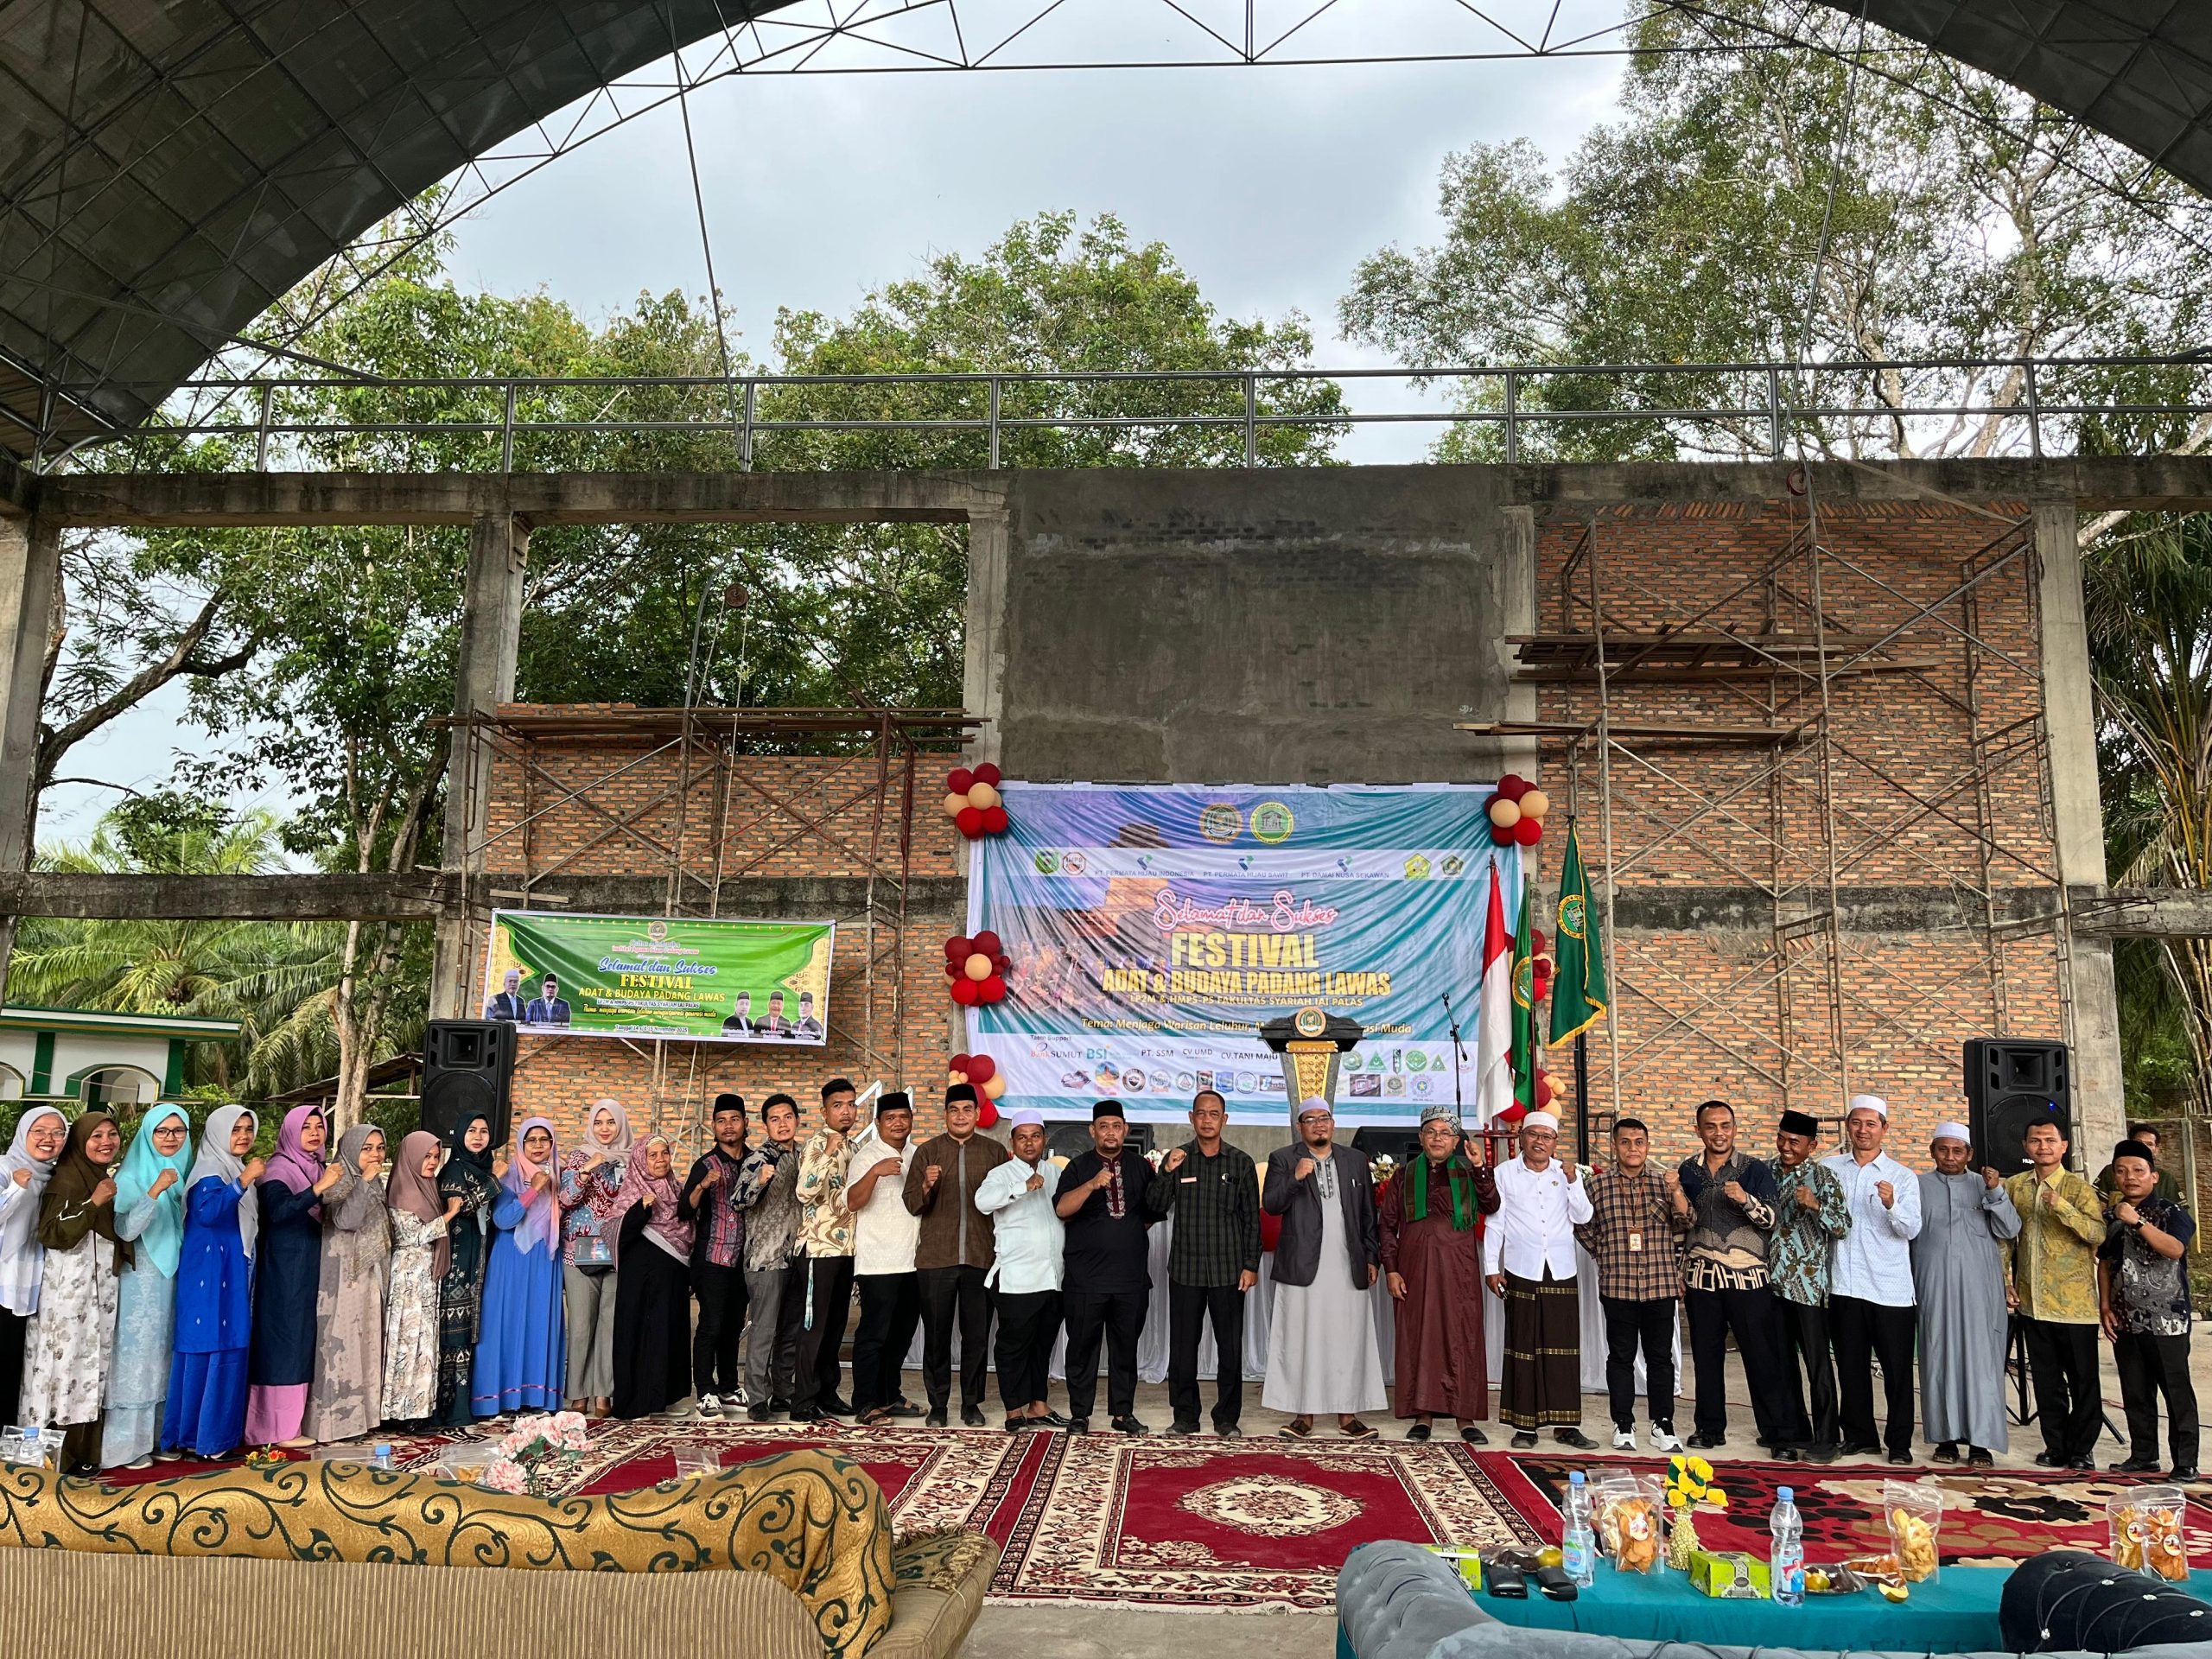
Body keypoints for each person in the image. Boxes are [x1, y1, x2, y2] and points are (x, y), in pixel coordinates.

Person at [1262, 1099, 1385, 1440]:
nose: (1319, 1124)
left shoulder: (1356, 1160)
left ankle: (1349, 1416)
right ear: (1299, 1126)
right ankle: (1304, 1415)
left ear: (1333, 1123)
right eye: (1310, 1119)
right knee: (1304, 1338)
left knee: (1348, 1338)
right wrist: (1295, 1179)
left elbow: (1367, 1216)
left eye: (1324, 1118)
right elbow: (1271, 1205)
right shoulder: (1284, 1159)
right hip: (1303, 1266)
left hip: (1348, 1264)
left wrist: (1372, 1258)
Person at [1674, 1100, 1790, 1455]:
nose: (1719, 1133)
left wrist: (1745, 1199)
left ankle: (1777, 1434)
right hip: (1702, 1280)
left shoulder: (1755, 1170)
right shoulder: (1688, 1171)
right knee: (1707, 1358)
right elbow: (1684, 1225)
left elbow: (1772, 1220)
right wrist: (1679, 1270)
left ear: (1735, 1129)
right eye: (1711, 1126)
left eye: (1725, 1125)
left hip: (1748, 1279)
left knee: (1761, 1357)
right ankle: (1709, 1428)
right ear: (1699, 1130)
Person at [1381, 1103, 1501, 1443]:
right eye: (1431, 1132)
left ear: (1455, 1141)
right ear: (1421, 1137)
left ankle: (1466, 1418)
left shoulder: (1467, 1174)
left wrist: (1479, 1167)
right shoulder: (1403, 1176)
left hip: (1458, 1271)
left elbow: (1492, 1205)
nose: (1437, 1138)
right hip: (1414, 1269)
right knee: (1420, 1337)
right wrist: (1392, 1270)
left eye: (1444, 1133)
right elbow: (1387, 1227)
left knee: (1462, 1337)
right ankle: (1423, 1416)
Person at [1146, 1089, 1262, 1439]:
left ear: (1224, 1120)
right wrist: (1166, 1170)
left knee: (1230, 1348)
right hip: (1186, 1269)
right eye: (1201, 1113)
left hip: (1229, 1271)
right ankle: (1185, 1416)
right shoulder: (1178, 1159)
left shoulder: (1240, 1162)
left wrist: (1250, 1265)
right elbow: (1153, 1206)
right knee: (1183, 1347)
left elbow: (1251, 1220)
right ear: (1191, 1118)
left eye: (1214, 1114)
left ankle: (1227, 1418)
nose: (1207, 1119)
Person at [1574, 1116, 1688, 1453]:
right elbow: (1582, 1226)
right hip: (1618, 1284)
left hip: (1660, 1284)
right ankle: (1623, 1423)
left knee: (1660, 1358)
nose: (1633, 1148)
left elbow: (1687, 1220)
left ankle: (1663, 1424)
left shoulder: (1663, 1183)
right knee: (1620, 1357)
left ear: (1648, 1146)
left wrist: (1677, 1190)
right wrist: (1604, 1255)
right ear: (1615, 1146)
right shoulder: (1596, 1186)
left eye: (1639, 1142)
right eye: (1625, 1142)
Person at [19, 1111, 125, 1473]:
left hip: (99, 1293)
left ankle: (81, 1455)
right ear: (80, 1140)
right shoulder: (65, 1180)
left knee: (90, 1368)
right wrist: (93, 1202)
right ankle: (47, 1460)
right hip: (66, 1295)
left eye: (112, 1135)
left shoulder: (102, 1178)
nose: (106, 1142)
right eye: (96, 1136)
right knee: (59, 1370)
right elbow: (51, 1234)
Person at [1485, 1109, 1598, 1449]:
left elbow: (1584, 1216)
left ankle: (1566, 1426)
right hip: (1522, 1269)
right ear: (1522, 1137)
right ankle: (1525, 1427)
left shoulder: (1567, 1174)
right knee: (1524, 1348)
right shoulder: (1504, 1173)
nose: (1539, 1142)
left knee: (1563, 1349)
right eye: (1533, 1135)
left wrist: (1574, 1181)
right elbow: (1495, 1222)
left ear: (1555, 1142)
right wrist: (1492, 1267)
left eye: (1546, 1137)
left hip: (1561, 1269)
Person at [1821, 1094, 1923, 1464]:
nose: (1863, 1131)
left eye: (1871, 1124)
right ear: (1847, 1126)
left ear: (1884, 1129)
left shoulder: (1902, 1176)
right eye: (1856, 1123)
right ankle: (1860, 1436)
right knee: (1851, 1365)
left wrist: (1892, 1203)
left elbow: (1911, 1229)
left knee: (1897, 1371)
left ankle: (1899, 1443)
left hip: (1890, 1289)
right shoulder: (1830, 1168)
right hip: (1845, 1284)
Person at [1911, 1122, 2019, 1467]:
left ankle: (1981, 1443)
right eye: (1943, 1150)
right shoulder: (1917, 1186)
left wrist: (1995, 1193)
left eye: (1958, 1151)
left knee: (1981, 1363)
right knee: (1938, 1356)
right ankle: (1946, 1438)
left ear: (1969, 1155)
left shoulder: (1985, 1186)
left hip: (1979, 1291)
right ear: (1932, 1152)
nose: (1950, 1157)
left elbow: (2009, 1229)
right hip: (1934, 1286)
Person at [904, 1082, 1008, 1427]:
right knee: (936, 1335)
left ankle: (971, 1404)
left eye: (967, 1110)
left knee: (977, 1335)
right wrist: (926, 1186)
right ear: (945, 1115)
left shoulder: (994, 1153)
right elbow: (912, 1204)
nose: (961, 1116)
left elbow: (1005, 1203)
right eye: (954, 1110)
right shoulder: (927, 1152)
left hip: (981, 1258)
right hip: (936, 1259)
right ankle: (938, 1404)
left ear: (978, 1115)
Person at [2004, 1116, 2106, 1470]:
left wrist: (2060, 1206)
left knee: (2083, 1382)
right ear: (2026, 1147)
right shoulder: (2015, 1186)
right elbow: (2005, 1236)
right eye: (2036, 1140)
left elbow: (2096, 1234)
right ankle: (2056, 1445)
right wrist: (2006, 1279)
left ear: (2064, 1146)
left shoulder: (2079, 1189)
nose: (2043, 1147)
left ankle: (2082, 1449)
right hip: (2033, 1302)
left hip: (2075, 1305)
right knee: (2046, 1382)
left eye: (2050, 1140)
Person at [162, 1106, 262, 1458]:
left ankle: (215, 1438)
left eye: (249, 1129)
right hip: (209, 1273)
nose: (244, 1136)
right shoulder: (210, 1169)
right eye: (236, 1129)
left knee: (230, 1343)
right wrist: (243, 1182)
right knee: (208, 1345)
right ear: (219, 1132)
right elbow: (206, 1213)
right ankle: (198, 1438)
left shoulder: (232, 1167)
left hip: (229, 1268)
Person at [1056, 1099, 1157, 1435]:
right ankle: (1080, 1414)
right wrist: (1090, 1185)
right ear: (1092, 1130)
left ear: (1125, 1130)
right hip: (1086, 1278)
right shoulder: (1078, 1167)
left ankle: (1122, 1413)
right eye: (1104, 1126)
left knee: (1125, 1348)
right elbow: (1061, 1210)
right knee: (1082, 1346)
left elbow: (1149, 1216)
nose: (1110, 1132)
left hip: (1129, 1278)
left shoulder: (1141, 1167)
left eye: (1116, 1126)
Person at [2100, 1140, 2199, 1478]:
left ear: (2153, 1177)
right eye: (2122, 1171)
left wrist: (2138, 1222)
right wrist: (2104, 1305)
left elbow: (2174, 1249)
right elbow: (2105, 1262)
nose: (2130, 1178)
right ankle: (2144, 1455)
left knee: (2176, 1391)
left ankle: (2185, 1462)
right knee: (2135, 1391)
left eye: (2138, 1171)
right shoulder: (2113, 1218)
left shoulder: (2173, 1213)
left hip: (2167, 1322)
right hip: (2126, 1319)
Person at [102, 1103, 192, 1467]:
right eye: (162, 1131)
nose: (170, 1138)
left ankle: (159, 1437)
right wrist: (154, 1191)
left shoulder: (186, 1172)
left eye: (178, 1131)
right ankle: (124, 1448)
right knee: (136, 1358)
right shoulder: (131, 1175)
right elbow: (124, 1230)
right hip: (140, 1280)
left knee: (164, 1357)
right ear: (148, 1135)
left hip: (174, 1278)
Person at [245, 1105, 339, 1448]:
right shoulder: (279, 1169)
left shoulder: (316, 1166)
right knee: (283, 1337)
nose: (314, 1133)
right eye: (306, 1128)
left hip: (308, 1260)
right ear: (290, 1133)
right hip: (284, 1262)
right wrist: (318, 1189)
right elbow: (280, 1212)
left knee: (300, 1337)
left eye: (319, 1126)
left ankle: (291, 1423)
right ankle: (273, 1428)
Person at [1767, 1109, 1851, 1463]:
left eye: (1795, 1142)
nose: (1786, 1147)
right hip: (1769, 1282)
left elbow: (1843, 1226)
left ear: (1811, 1145)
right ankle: (1791, 1431)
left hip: (1807, 1285)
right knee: (1781, 1363)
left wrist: (1815, 1205)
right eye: (1782, 1139)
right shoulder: (1763, 1172)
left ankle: (1827, 1437)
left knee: (1817, 1364)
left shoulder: (1823, 1177)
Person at [976, 1109, 1065, 1432]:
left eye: (1036, 1136)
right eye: (1022, 1137)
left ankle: (1038, 1406)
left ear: (1044, 1140)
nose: (1029, 1143)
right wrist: (1023, 1186)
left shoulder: (1056, 1173)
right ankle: (1013, 1410)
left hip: (1053, 1277)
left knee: (1043, 1344)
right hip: (1016, 1278)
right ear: (1012, 1141)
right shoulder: (1001, 1174)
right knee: (1013, 1347)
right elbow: (983, 1202)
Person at [474, 1116, 567, 1416]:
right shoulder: (509, 1174)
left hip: (544, 1260)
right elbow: (503, 1220)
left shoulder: (560, 1173)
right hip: (510, 1260)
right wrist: (533, 1191)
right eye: (532, 1140)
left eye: (545, 1140)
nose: (538, 1146)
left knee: (539, 1323)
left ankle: (535, 1396)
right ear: (522, 1143)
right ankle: (498, 1398)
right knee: (504, 1324)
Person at [304, 1124, 391, 1444]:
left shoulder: (374, 1180)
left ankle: (362, 1418)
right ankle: (333, 1422)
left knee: (366, 1340)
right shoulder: (338, 1176)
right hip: (342, 1273)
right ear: (352, 1148)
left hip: (367, 1271)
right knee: (341, 1341)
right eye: (367, 1148)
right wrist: (365, 1181)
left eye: (380, 1148)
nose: (375, 1155)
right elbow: (346, 1220)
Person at [847, 1092, 924, 1425]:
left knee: (901, 1334)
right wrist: (875, 1172)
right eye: (890, 1117)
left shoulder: (918, 1155)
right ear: (878, 1123)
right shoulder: (866, 1157)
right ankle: (865, 1401)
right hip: (878, 1261)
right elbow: (852, 1202)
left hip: (914, 1259)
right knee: (874, 1334)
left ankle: (889, 1395)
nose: (898, 1123)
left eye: (903, 1117)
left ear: (911, 1121)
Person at [611, 1135, 695, 1420]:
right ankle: (637, 1401)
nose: (660, 1160)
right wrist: (639, 1210)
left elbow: (687, 1225)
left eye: (665, 1153)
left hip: (673, 1277)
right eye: (653, 1155)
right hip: (641, 1283)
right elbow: (615, 1234)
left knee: (670, 1332)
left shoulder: (678, 1189)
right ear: (640, 1160)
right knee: (641, 1335)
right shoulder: (632, 1191)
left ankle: (668, 1398)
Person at [557, 1099, 631, 1415]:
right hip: (578, 1253)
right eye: (599, 1122)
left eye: (611, 1122)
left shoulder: (632, 1160)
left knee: (610, 1327)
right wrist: (588, 1169)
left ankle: (603, 1394)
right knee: (581, 1328)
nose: (604, 1129)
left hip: (616, 1252)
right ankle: (578, 1394)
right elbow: (565, 1198)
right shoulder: (578, 1156)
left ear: (620, 1125)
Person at [791, 1077, 860, 1421]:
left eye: (851, 1104)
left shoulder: (854, 1146)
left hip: (845, 1249)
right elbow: (804, 1191)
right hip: (818, 1249)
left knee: (835, 1328)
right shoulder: (818, 1143)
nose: (846, 1111)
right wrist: (828, 1153)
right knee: (813, 1328)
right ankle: (802, 1400)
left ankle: (827, 1393)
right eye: (838, 1105)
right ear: (824, 1111)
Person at [681, 1093, 751, 1419]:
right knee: (711, 1324)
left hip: (746, 1259)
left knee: (734, 1325)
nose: (728, 1126)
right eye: (721, 1121)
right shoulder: (704, 1165)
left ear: (745, 1123)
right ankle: (705, 1390)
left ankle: (728, 1385)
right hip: (712, 1259)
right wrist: (702, 1187)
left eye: (734, 1119)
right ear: (713, 1126)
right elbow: (684, 1210)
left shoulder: (756, 1162)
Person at [736, 1093, 804, 1421]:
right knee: (763, 1330)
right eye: (774, 1119)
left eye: (787, 1117)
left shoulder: (806, 1157)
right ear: (766, 1125)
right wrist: (759, 1183)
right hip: (766, 1259)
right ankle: (756, 1399)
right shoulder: (758, 1158)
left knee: (791, 1331)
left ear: (797, 1120)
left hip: (799, 1257)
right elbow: (738, 1201)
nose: (782, 1124)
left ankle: (783, 1393)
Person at [0, 1108, 68, 1422]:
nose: (48, 1139)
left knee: (13, 1365)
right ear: (23, 1133)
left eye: (57, 1132)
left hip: (30, 1285)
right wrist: (15, 1188)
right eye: (39, 1131)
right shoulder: (5, 1168)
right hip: (3, 1280)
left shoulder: (55, 1177)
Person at [381, 1128, 452, 1428]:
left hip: (425, 1277)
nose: (432, 1162)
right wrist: (449, 1216)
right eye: (426, 1156)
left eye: (435, 1156)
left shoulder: (429, 1187)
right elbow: (413, 1236)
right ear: (411, 1157)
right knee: (405, 1341)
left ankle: (419, 1409)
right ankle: (396, 1410)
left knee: (424, 1343)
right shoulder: (402, 1190)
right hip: (408, 1275)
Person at [434, 1111, 499, 1426]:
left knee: (471, 1331)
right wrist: (494, 1181)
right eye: (471, 1130)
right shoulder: (453, 1169)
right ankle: (451, 1408)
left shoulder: (482, 1167)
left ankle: (468, 1401)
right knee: (454, 1332)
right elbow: (461, 1208)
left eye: (484, 1131)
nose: (477, 1136)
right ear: (459, 1134)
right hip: (456, 1264)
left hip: (478, 1261)